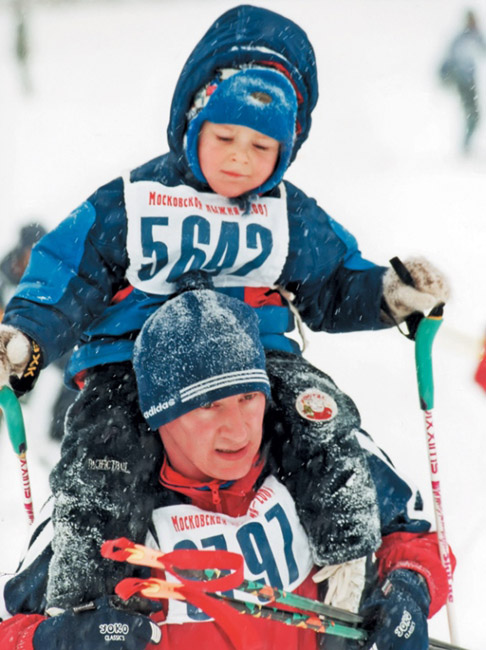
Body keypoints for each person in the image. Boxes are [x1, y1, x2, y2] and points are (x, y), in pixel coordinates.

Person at [0, 5, 450, 611]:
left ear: (287, 151)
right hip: (133, 365)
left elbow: (333, 282)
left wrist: (389, 294)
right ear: (190, 123)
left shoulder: (286, 214)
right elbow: (70, 271)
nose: (240, 158)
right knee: (105, 459)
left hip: (255, 361)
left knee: (325, 424)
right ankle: (83, 608)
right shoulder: (135, 201)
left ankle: (352, 565)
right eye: (224, 138)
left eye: (262, 146)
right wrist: (27, 336)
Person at [0, 289, 453, 649]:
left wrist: (409, 589)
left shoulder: (308, 456)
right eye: (208, 405)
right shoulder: (102, 498)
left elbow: (414, 537)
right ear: (160, 416)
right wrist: (52, 640)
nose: (237, 428)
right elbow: (9, 628)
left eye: (248, 398)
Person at [0, 222, 75, 441]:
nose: (34, 260)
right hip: (8, 341)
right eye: (31, 252)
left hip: (40, 338)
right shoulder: (4, 275)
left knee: (73, 363)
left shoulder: (52, 274)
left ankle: (59, 430)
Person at [439, 9, 486, 152]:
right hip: (463, 81)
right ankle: (465, 147)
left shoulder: (475, 37)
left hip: (469, 81)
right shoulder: (462, 39)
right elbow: (450, 60)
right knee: (472, 114)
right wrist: (445, 76)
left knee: (474, 115)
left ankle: (466, 145)